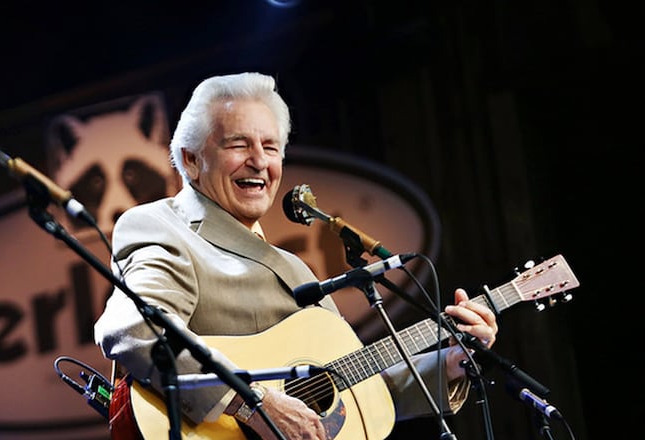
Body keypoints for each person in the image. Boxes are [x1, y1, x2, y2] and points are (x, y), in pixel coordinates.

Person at [94, 72, 498, 440]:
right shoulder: (161, 226)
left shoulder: (294, 268)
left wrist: (452, 361)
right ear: (191, 159)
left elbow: (360, 389)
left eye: (270, 147)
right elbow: (137, 330)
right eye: (238, 144)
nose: (259, 161)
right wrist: (253, 404)